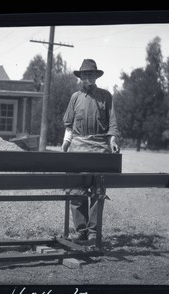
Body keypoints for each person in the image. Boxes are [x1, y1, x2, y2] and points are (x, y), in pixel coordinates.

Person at [61, 59, 120, 245]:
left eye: (91, 74)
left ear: (96, 76)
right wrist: (66, 142)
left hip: (100, 149)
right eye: (84, 74)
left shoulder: (106, 96)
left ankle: (93, 232)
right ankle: (80, 231)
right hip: (78, 148)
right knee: (76, 192)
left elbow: (112, 123)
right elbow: (69, 125)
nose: (88, 77)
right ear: (80, 77)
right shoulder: (75, 97)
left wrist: (113, 140)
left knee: (97, 191)